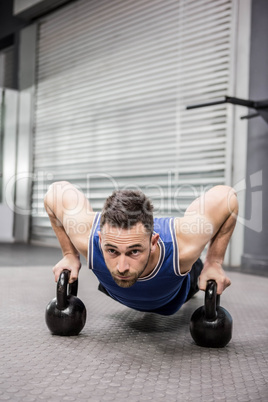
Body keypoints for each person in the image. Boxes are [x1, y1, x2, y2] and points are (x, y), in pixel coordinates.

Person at [44, 182, 238, 315]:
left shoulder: (183, 246)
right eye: (112, 250)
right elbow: (54, 192)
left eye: (133, 251)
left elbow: (228, 197)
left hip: (174, 292)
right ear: (101, 239)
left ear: (153, 243)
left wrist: (214, 262)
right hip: (117, 287)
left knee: (196, 265)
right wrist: (69, 254)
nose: (121, 267)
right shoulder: (87, 237)